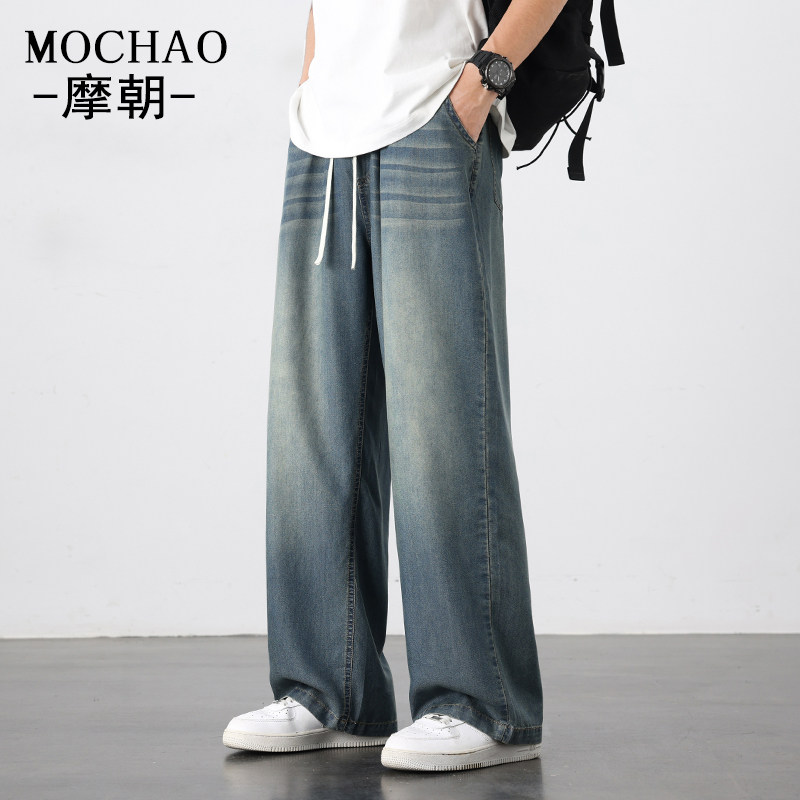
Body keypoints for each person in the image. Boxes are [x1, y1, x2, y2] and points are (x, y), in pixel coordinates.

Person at [223, 0, 567, 772]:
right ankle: (328, 690)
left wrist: (484, 82)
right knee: (313, 425)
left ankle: (481, 703)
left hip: (434, 113)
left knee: (443, 419)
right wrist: (313, 84)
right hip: (323, 133)